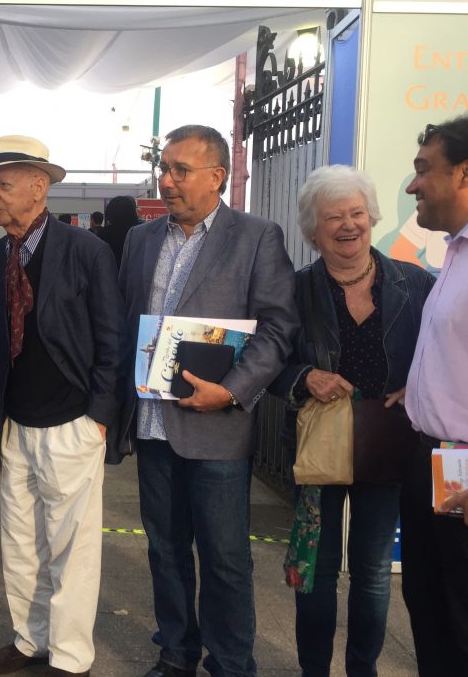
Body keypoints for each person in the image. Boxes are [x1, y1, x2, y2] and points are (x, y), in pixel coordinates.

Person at [117, 124, 299, 677]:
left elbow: (277, 327)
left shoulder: (256, 236)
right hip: (152, 425)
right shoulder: (140, 240)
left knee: (224, 560)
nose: (166, 180)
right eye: (164, 168)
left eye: (180, 170)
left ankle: (230, 662)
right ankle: (176, 653)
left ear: (217, 176)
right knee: (165, 551)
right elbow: (128, 325)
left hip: (218, 430)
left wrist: (234, 390)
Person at [270, 165, 434, 677]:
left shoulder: (416, 283)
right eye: (333, 217)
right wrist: (304, 377)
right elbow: (266, 361)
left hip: (387, 444)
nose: (348, 225)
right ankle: (314, 671)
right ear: (312, 230)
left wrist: (419, 385)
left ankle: (362, 669)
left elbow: (442, 351)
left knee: (371, 574)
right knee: (316, 573)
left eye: (357, 213)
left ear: (372, 217)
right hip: (320, 442)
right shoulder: (293, 290)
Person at [0, 136, 122, 677]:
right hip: (15, 424)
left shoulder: (84, 251)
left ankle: (71, 657)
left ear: (40, 187)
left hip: (72, 421)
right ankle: (30, 640)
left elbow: (111, 338)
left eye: (3, 184)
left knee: (72, 549)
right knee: (18, 542)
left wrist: (99, 416)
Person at [401, 111, 468, 676]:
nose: (413, 185)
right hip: (436, 462)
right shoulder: (461, 249)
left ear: (467, 172)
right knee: (432, 617)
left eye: (424, 170)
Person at [99, 195, 141, 269]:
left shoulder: (104, 234)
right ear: (132, 211)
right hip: (135, 274)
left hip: (110, 273)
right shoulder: (140, 232)